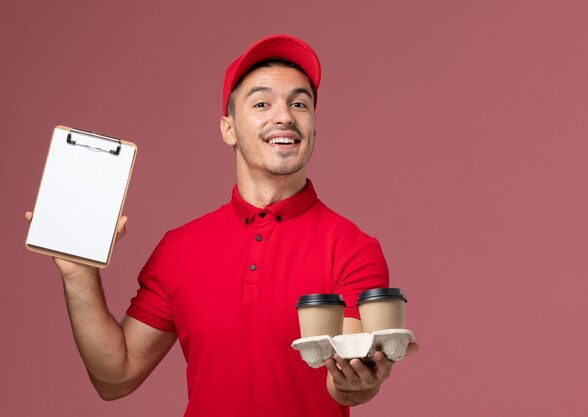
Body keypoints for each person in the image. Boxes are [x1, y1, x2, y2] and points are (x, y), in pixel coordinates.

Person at [26, 34, 417, 417]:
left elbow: (343, 379)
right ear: (228, 128)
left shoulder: (352, 247)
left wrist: (357, 382)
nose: (284, 116)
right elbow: (116, 377)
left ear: (314, 128)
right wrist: (79, 274)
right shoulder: (179, 248)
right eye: (262, 102)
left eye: (300, 104)